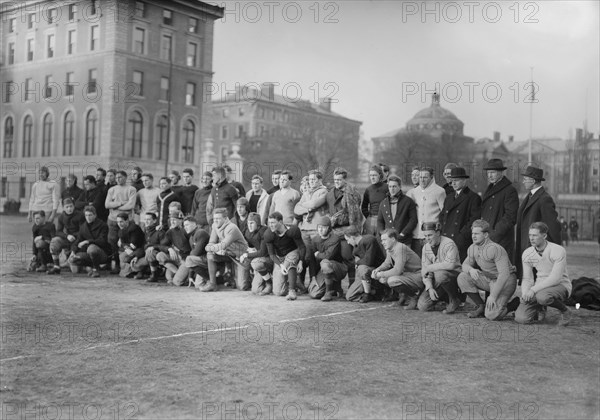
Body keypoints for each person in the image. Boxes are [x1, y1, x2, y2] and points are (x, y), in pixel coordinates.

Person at [457, 219, 517, 320]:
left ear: (485, 235)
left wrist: (493, 296)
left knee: (491, 315)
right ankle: (481, 306)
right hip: (489, 279)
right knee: (463, 277)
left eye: (477, 233)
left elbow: (504, 274)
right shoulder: (472, 248)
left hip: (505, 281)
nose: (473, 236)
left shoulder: (495, 248)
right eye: (472, 233)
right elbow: (464, 265)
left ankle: (514, 304)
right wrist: (471, 270)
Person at [515, 222, 572, 326]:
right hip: (540, 287)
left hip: (560, 285)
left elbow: (555, 278)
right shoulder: (527, 253)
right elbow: (528, 278)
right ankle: (540, 308)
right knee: (521, 319)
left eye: (535, 235)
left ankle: (565, 310)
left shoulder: (557, 250)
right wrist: (525, 292)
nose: (531, 238)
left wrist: (533, 290)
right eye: (530, 235)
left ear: (544, 236)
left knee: (543, 297)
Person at [515, 166, 561, 279]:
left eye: (526, 178)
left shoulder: (544, 198)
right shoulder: (530, 196)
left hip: (537, 250)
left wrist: (554, 250)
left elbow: (553, 226)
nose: (523, 181)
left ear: (534, 180)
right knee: (529, 280)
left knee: (536, 281)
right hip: (528, 247)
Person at [326, 167, 363, 287]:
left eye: (339, 179)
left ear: (345, 180)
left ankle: (352, 286)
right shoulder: (331, 192)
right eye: (335, 179)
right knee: (335, 259)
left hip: (346, 231)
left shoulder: (350, 192)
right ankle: (337, 289)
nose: (336, 181)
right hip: (333, 230)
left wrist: (350, 231)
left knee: (348, 258)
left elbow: (355, 217)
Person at [416, 222, 461, 313]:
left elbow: (450, 265)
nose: (427, 239)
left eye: (430, 235)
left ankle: (454, 299)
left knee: (441, 275)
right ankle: (444, 298)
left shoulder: (449, 243)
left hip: (453, 277)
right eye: (425, 236)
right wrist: (430, 287)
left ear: (438, 233)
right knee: (423, 306)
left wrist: (429, 268)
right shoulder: (425, 247)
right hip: (437, 279)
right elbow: (425, 271)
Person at [371, 229, 422, 309]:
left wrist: (381, 274)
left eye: (384, 240)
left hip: (417, 274)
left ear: (393, 239)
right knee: (383, 279)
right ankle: (403, 297)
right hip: (408, 274)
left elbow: (398, 270)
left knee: (392, 280)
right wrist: (377, 269)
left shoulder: (399, 248)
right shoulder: (390, 248)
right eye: (381, 240)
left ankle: (414, 297)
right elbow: (387, 263)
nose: (382, 242)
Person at [439, 167, 482, 262]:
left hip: (461, 242)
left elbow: (474, 220)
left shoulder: (473, 198)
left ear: (464, 181)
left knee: (459, 270)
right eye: (452, 180)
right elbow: (442, 216)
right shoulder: (449, 197)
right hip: (446, 239)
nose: (453, 183)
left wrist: (461, 236)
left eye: (456, 180)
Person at [200, 208, 248, 292]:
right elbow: (211, 242)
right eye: (214, 218)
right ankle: (212, 284)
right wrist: (212, 248)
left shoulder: (232, 227)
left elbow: (222, 245)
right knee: (210, 255)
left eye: (218, 218)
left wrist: (214, 248)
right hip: (227, 253)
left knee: (242, 286)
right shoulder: (215, 225)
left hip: (240, 256)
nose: (215, 221)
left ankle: (239, 276)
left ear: (225, 219)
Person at [480, 159, 519, 261]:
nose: (490, 176)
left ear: (501, 173)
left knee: (502, 272)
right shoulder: (490, 189)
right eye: (488, 173)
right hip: (487, 238)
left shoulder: (510, 190)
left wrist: (494, 234)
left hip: (500, 240)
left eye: (493, 172)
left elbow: (510, 217)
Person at [294, 169, 329, 283]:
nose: (311, 182)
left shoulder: (323, 191)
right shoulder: (306, 192)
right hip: (304, 229)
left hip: (316, 229)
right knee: (303, 256)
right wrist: (307, 207)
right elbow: (296, 209)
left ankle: (314, 282)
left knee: (314, 256)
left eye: (314, 179)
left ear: (320, 180)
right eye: (310, 180)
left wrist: (304, 205)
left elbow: (314, 204)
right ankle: (301, 282)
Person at [263, 212, 306, 299]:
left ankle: (292, 291)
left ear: (281, 222)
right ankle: (295, 281)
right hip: (280, 257)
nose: (270, 225)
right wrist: (280, 265)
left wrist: (301, 261)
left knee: (290, 260)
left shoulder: (292, 230)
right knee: (278, 292)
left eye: (273, 223)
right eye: (269, 223)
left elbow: (301, 247)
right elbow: (272, 254)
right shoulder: (268, 234)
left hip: (292, 253)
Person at [406, 167, 446, 257]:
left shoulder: (439, 191)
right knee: (417, 265)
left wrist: (439, 230)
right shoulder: (413, 192)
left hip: (432, 235)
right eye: (420, 177)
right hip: (416, 235)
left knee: (432, 263)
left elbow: (444, 213)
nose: (422, 180)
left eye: (425, 177)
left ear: (432, 177)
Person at [105, 170, 137, 274]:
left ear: (125, 178)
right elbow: (107, 205)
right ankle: (117, 265)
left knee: (127, 242)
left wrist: (116, 206)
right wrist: (121, 203)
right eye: (117, 177)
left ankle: (128, 265)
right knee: (113, 241)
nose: (118, 179)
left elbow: (131, 205)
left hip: (126, 221)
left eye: (120, 177)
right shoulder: (112, 189)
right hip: (113, 220)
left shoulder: (131, 189)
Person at [344, 226, 386, 303]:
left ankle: (367, 294)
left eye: (348, 239)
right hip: (365, 275)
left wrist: (357, 263)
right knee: (349, 296)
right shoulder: (356, 247)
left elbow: (369, 261)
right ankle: (374, 293)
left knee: (362, 268)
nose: (348, 242)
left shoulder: (369, 240)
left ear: (352, 237)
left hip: (377, 269)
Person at [310, 216, 348, 302]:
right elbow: (312, 259)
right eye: (319, 227)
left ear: (328, 228)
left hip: (337, 268)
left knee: (325, 263)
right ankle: (333, 287)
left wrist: (318, 254)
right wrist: (313, 276)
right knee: (314, 293)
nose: (320, 230)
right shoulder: (315, 240)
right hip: (323, 269)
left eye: (323, 228)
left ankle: (328, 292)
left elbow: (328, 256)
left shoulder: (335, 238)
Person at [148, 211, 190, 284]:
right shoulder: (170, 231)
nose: (172, 222)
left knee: (176, 281)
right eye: (171, 220)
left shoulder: (186, 230)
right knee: (160, 256)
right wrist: (169, 249)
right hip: (176, 258)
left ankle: (184, 276)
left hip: (185, 259)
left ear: (180, 220)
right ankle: (177, 272)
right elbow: (161, 245)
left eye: (174, 220)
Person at [68, 206, 110, 278]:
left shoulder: (102, 225)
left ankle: (95, 269)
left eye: (90, 215)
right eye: (86, 215)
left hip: (102, 253)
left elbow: (102, 241)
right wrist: (73, 251)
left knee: (92, 248)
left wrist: (87, 241)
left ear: (95, 215)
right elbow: (78, 240)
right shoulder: (83, 227)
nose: (88, 217)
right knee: (72, 260)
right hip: (89, 253)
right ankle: (90, 266)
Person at [377, 175, 417, 245]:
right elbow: (380, 221)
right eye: (390, 186)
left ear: (400, 186)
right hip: (388, 241)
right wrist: (382, 233)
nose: (392, 189)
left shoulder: (408, 201)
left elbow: (413, 220)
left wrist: (403, 234)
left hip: (404, 240)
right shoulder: (383, 203)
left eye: (394, 186)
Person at [47, 198, 84, 275]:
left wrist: (73, 236)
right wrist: (67, 236)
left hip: (78, 240)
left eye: (71, 206)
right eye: (67, 207)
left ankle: (71, 262)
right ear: (63, 208)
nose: (69, 209)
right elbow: (58, 231)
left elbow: (83, 231)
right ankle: (56, 266)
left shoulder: (80, 215)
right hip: (68, 239)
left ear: (74, 206)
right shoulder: (61, 217)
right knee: (55, 241)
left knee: (75, 271)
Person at [242, 213, 274, 295]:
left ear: (258, 224)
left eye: (252, 223)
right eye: (248, 223)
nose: (249, 225)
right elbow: (244, 244)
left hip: (272, 258)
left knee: (255, 263)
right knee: (256, 290)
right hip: (261, 260)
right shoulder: (248, 232)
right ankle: (266, 277)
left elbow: (263, 252)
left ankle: (269, 283)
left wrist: (247, 255)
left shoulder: (264, 231)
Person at [175, 217, 210, 287]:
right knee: (198, 284)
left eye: (187, 225)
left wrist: (190, 255)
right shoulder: (191, 237)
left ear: (195, 224)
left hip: (209, 261)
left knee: (189, 258)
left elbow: (196, 253)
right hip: (200, 262)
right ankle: (213, 279)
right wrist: (190, 275)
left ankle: (211, 280)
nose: (185, 227)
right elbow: (193, 255)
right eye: (184, 226)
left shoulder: (201, 233)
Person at [130, 212, 165, 280]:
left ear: (154, 220)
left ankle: (154, 274)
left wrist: (153, 248)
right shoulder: (147, 230)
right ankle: (151, 270)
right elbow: (143, 245)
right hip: (147, 254)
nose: (146, 221)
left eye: (148, 219)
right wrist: (137, 256)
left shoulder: (159, 231)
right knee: (134, 264)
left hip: (157, 254)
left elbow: (163, 246)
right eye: (145, 219)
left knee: (150, 253)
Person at [115, 212, 145, 278]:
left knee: (123, 256)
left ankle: (138, 271)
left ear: (127, 220)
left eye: (121, 222)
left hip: (140, 250)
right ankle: (130, 271)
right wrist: (123, 246)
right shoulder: (120, 231)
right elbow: (122, 245)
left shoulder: (134, 228)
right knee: (121, 255)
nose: (119, 224)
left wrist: (122, 245)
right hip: (131, 250)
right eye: (118, 222)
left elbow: (133, 245)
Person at [361, 165, 388, 236]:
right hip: (371, 220)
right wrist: (369, 217)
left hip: (383, 220)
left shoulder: (387, 188)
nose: (372, 177)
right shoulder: (368, 190)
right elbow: (364, 207)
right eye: (370, 175)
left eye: (374, 175)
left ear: (380, 175)